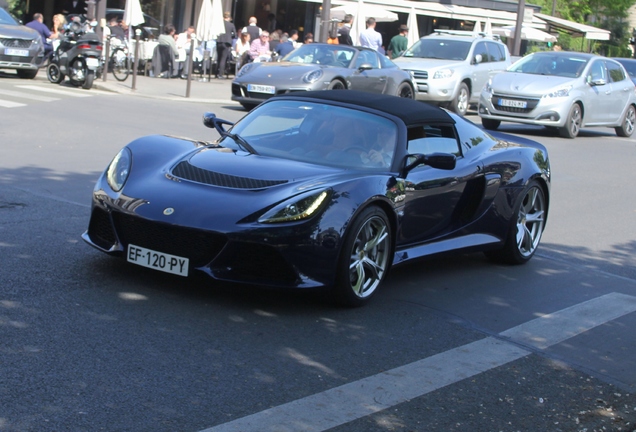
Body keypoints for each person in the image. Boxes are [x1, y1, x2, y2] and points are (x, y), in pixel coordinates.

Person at [216, 11, 236, 79]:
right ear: (229, 18)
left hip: (219, 41)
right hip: (227, 42)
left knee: (218, 57)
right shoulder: (231, 25)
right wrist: (230, 36)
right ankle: (220, 74)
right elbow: (235, 35)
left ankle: (216, 72)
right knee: (223, 59)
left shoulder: (219, 24)